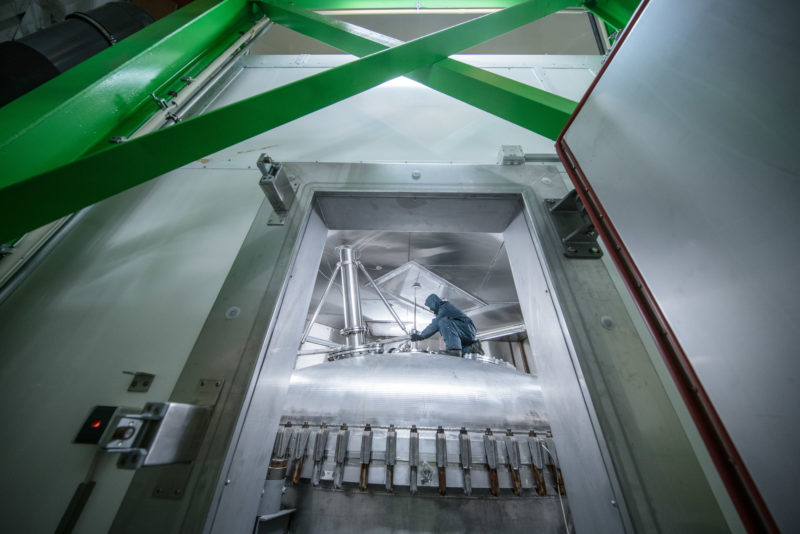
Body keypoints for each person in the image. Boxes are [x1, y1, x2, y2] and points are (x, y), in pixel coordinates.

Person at [410, 294, 483, 356]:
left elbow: (435, 324)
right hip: (465, 332)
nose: (431, 309)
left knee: (443, 322)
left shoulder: (445, 307)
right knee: (461, 353)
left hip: (467, 329)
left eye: (430, 306)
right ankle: (472, 348)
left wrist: (421, 336)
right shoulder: (443, 309)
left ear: (434, 303)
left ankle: (454, 350)